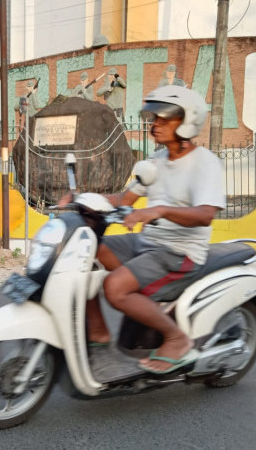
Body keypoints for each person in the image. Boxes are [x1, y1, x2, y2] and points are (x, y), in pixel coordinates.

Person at [61, 86, 225, 375]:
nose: (155, 125)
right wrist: (81, 199)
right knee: (85, 252)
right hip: (147, 241)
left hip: (179, 252)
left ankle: (177, 339)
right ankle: (98, 333)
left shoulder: (205, 163)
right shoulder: (156, 160)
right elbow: (124, 200)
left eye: (164, 119)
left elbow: (205, 215)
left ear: (186, 121)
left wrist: (159, 210)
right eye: (154, 118)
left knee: (115, 288)